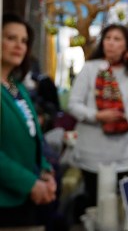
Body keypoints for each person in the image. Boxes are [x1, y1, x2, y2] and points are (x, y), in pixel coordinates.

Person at [68, 24, 128, 214]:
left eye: (117, 39)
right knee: (98, 210)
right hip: (94, 155)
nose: (111, 43)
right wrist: (96, 116)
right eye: (108, 38)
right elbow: (73, 104)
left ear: (126, 45)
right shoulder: (90, 68)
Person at [0, 14, 56, 230]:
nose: (19, 46)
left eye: (24, 41)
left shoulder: (15, 86)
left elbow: (33, 136)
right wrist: (30, 183)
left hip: (26, 198)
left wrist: (45, 171)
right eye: (11, 38)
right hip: (6, 199)